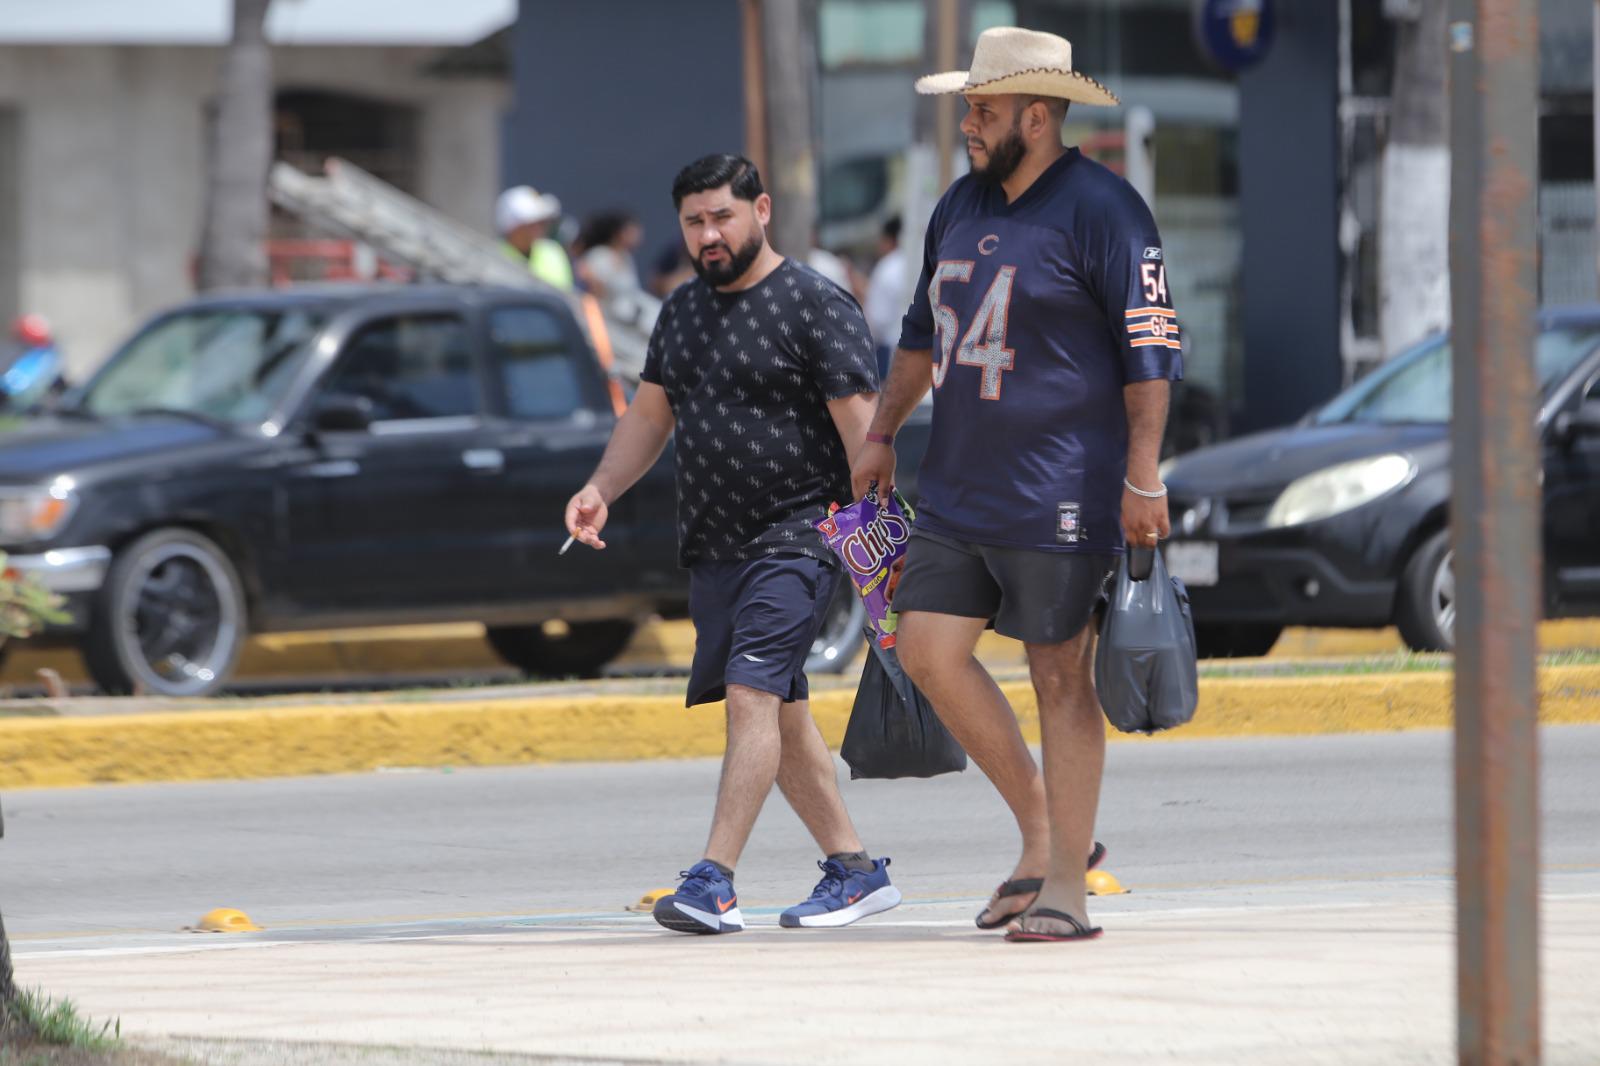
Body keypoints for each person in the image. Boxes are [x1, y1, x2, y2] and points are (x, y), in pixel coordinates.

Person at [850, 27, 1181, 944]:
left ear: (1037, 118)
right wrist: (881, 432)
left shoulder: (1106, 211)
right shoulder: (957, 203)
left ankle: (1066, 889)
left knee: (1057, 676)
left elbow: (1150, 356)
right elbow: (920, 334)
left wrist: (1142, 475)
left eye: (983, 110)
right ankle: (1043, 834)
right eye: (967, 107)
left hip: (1062, 486)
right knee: (926, 650)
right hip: (959, 483)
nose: (968, 123)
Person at [562, 154, 897, 935]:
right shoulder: (680, 311)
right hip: (716, 545)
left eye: (723, 216)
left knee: (750, 696)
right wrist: (600, 490)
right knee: (780, 716)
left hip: (800, 536)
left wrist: (886, 551)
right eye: (695, 221)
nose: (710, 234)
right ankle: (854, 871)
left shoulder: (817, 305)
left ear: (762, 210)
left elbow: (866, 433)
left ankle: (714, 881)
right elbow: (649, 418)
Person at [496, 185, 574, 292]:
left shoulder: (553, 251)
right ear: (513, 229)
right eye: (531, 224)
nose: (539, 228)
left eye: (541, 222)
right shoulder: (496, 256)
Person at [863, 215, 906, 378]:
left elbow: (878, 319)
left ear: (888, 240)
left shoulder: (887, 267)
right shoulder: (915, 263)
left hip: (887, 350)